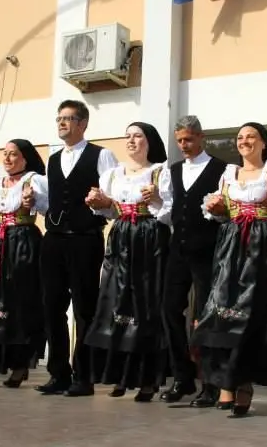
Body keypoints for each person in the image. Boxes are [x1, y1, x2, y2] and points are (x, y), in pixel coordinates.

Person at [195, 122, 267, 417]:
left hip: (264, 248)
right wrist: (217, 208)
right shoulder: (229, 174)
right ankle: (227, 383)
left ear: (263, 143)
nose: (244, 142)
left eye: (250, 137)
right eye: (240, 137)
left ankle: (243, 384)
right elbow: (219, 213)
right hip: (231, 247)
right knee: (222, 311)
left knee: (253, 315)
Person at [37, 100, 119, 397]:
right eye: (59, 118)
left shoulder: (102, 155)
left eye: (69, 118)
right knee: (51, 307)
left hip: (85, 238)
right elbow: (50, 199)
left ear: (83, 124)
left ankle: (84, 376)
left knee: (85, 308)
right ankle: (57, 372)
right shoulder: (53, 158)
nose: (62, 123)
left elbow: (113, 196)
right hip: (55, 238)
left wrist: (100, 205)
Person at [84, 122, 172, 401]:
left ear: (150, 142)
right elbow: (110, 212)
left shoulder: (160, 172)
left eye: (138, 136)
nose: (132, 141)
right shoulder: (112, 174)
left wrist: (157, 198)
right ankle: (119, 375)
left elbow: (169, 213)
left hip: (149, 238)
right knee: (115, 301)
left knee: (145, 304)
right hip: (121, 236)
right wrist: (100, 203)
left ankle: (147, 379)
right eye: (128, 136)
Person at [159, 115, 228, 407]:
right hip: (178, 250)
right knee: (168, 310)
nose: (184, 145)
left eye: (188, 139)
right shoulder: (172, 171)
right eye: (179, 141)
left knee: (206, 316)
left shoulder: (221, 169)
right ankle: (183, 377)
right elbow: (165, 209)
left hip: (208, 250)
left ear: (201, 137)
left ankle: (211, 384)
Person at [0, 140, 48, 388]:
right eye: (5, 154)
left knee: (19, 301)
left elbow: (47, 207)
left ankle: (19, 364)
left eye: (13, 155)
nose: (7, 158)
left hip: (24, 241)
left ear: (25, 159)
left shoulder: (33, 180)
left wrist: (31, 202)